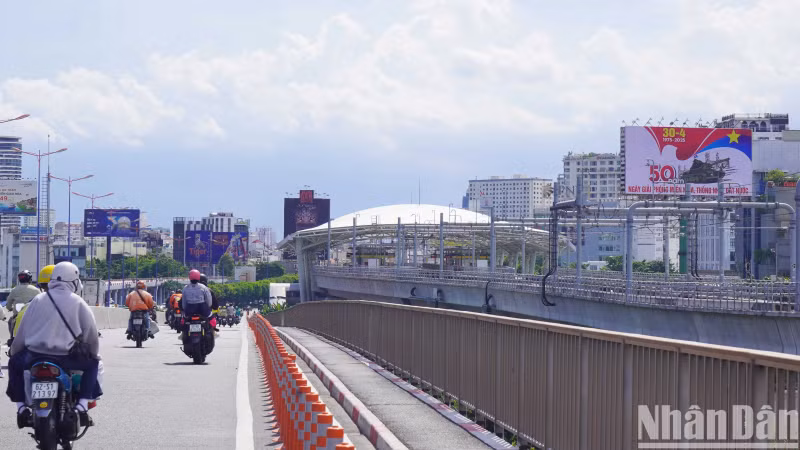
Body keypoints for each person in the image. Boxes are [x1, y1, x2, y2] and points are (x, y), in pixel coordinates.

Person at [6, 262, 101, 426]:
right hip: (65, 358)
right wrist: (93, 354)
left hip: (34, 356)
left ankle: (21, 408)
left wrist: (14, 353)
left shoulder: (37, 300)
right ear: (74, 280)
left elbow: (21, 332)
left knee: (14, 363)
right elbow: (91, 335)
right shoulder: (78, 303)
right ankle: (82, 406)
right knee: (93, 364)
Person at [6, 270, 41, 335]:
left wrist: (10, 308)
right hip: (33, 318)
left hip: (17, 316)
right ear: (30, 279)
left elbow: (8, 305)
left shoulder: (14, 290)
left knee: (10, 322)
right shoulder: (37, 290)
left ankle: (12, 338)